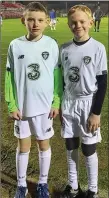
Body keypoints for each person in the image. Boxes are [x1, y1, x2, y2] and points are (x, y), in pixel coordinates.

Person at [5, 2, 62, 198]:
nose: (35, 24)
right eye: (31, 19)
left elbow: (57, 76)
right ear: (23, 21)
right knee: (23, 147)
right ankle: (21, 186)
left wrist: (56, 101)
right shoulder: (15, 45)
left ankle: (43, 184)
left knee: (43, 145)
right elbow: (9, 77)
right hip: (22, 108)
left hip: (44, 108)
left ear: (47, 22)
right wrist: (11, 104)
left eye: (39, 20)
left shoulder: (52, 44)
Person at [60, 5, 107, 198]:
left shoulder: (98, 48)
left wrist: (96, 113)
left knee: (88, 148)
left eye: (81, 22)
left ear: (90, 22)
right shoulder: (63, 49)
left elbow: (102, 82)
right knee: (70, 145)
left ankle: (93, 190)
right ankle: (73, 187)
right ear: (69, 24)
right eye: (74, 22)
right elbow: (61, 81)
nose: (78, 25)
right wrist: (61, 105)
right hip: (68, 103)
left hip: (88, 104)